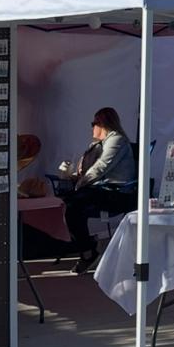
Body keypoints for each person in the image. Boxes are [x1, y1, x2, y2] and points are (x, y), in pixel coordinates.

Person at [62, 107, 137, 274]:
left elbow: (101, 167)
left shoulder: (116, 140)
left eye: (93, 123)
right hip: (103, 190)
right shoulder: (99, 144)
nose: (92, 128)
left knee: (72, 206)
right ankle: (87, 247)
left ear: (102, 124)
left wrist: (80, 183)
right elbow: (92, 169)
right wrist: (73, 176)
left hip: (116, 192)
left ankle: (88, 251)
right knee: (69, 205)